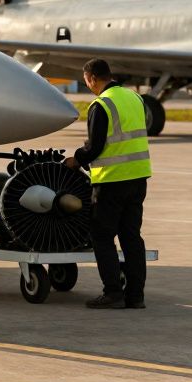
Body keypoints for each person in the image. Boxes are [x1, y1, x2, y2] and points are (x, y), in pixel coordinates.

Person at [66, 59, 151, 309]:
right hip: (138, 177)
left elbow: (95, 147)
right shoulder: (135, 98)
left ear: (91, 78)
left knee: (102, 237)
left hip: (112, 181)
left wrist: (75, 160)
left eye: (86, 81)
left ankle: (113, 292)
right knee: (131, 238)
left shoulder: (101, 104)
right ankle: (136, 296)